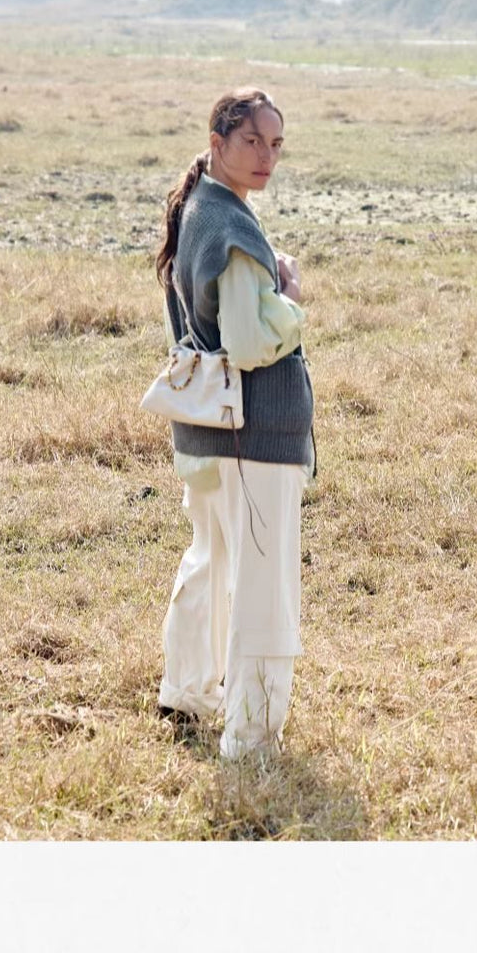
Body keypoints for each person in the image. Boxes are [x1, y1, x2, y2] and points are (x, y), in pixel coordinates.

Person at [152, 88, 314, 759]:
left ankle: (187, 690)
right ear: (217, 143)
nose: (265, 157)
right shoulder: (232, 228)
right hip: (255, 434)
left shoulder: (194, 210)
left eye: (275, 144)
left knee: (212, 561)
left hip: (205, 429)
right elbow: (249, 344)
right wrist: (290, 299)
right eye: (251, 142)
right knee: (262, 585)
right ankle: (250, 733)